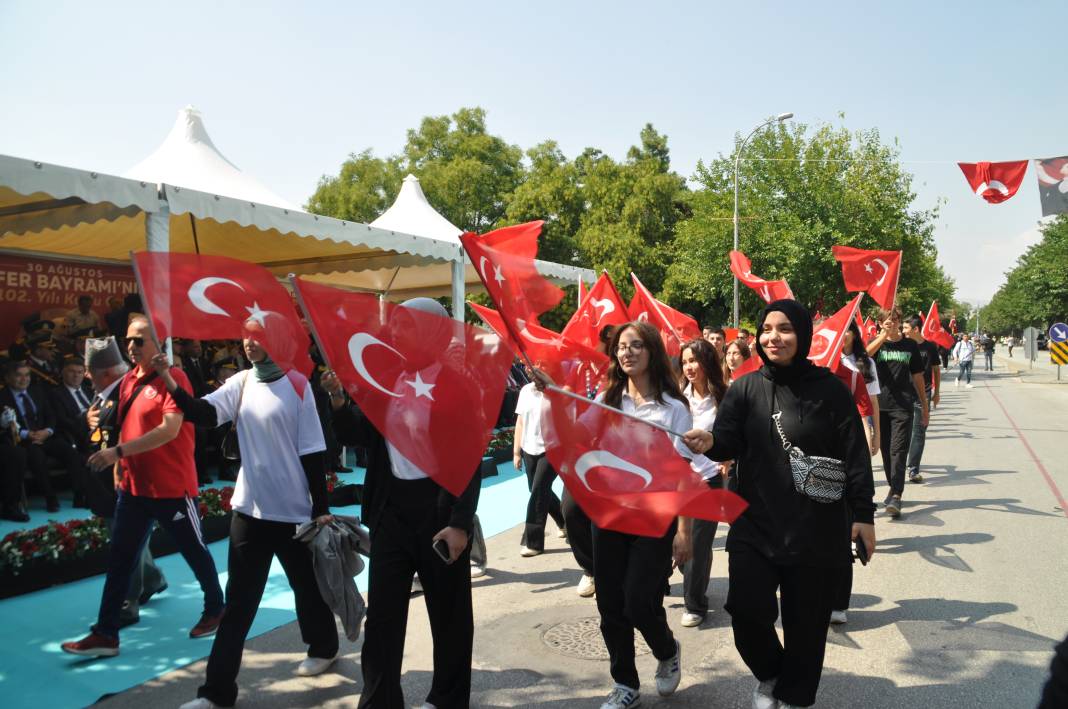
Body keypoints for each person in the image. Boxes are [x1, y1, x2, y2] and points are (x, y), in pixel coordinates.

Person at [682, 299, 876, 709]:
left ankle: (794, 696)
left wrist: (863, 515)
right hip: (755, 524)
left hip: (818, 528)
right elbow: (728, 440)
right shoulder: (744, 388)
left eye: (785, 328)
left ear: (802, 335)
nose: (774, 337)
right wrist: (711, 442)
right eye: (767, 328)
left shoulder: (830, 390)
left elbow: (854, 454)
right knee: (747, 611)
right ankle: (772, 674)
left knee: (807, 625)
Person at [160, 316, 339, 709]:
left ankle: (324, 645)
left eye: (256, 335)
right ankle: (216, 693)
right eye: (244, 336)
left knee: (306, 589)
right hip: (249, 511)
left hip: (294, 514)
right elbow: (200, 413)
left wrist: (320, 510)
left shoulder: (297, 386)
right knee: (238, 603)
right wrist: (168, 377)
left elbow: (313, 452)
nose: (247, 342)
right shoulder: (239, 383)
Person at [323, 297, 481, 709]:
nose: (396, 333)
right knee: (384, 619)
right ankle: (379, 700)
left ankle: (446, 699)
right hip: (392, 511)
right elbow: (361, 433)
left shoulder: (457, 384)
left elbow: (468, 457)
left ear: (432, 329)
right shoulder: (387, 376)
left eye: (406, 325)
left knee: (449, 617)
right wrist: (340, 401)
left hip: (439, 512)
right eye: (396, 325)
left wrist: (461, 523)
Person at [543, 321, 690, 709]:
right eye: (622, 347)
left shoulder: (674, 410)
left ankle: (666, 648)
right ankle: (625, 683)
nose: (627, 352)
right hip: (609, 516)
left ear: (652, 351)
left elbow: (683, 476)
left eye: (636, 345)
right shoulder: (606, 401)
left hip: (653, 517)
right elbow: (578, 437)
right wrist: (553, 393)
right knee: (610, 604)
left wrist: (682, 530)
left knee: (640, 602)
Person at [60, 317, 225, 658]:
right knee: (120, 560)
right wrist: (117, 459)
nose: (131, 347)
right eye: (129, 341)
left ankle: (215, 607)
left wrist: (117, 453)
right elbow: (120, 426)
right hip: (133, 490)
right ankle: (106, 632)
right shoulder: (126, 382)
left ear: (158, 343)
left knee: (195, 551)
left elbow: (169, 430)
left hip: (171, 487)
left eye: (139, 341)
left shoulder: (174, 378)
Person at [678, 338, 728, 629]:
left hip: (709, 478)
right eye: (685, 361)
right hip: (678, 479)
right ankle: (692, 574)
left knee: (698, 542)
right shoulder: (675, 398)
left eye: (694, 360)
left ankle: (695, 603)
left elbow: (733, 434)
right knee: (682, 546)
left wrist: (727, 459)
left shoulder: (724, 397)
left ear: (707, 362)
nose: (689, 367)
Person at [866, 308, 928, 519]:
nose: (892, 322)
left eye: (895, 319)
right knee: (885, 452)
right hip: (879, 406)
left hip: (903, 406)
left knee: (898, 450)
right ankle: (893, 488)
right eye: (887, 319)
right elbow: (864, 356)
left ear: (900, 321)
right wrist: (883, 336)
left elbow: (918, 377)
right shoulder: (877, 342)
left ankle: (896, 494)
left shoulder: (910, 345)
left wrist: (925, 406)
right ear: (880, 322)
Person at [0, 360, 67, 511]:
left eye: (27, 375)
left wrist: (47, 431)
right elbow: (4, 427)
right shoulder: (2, 397)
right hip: (22, 441)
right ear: (8, 378)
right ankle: (50, 498)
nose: (24, 379)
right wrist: (26, 434)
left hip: (46, 435)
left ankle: (81, 493)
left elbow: (51, 415)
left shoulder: (37, 391)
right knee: (36, 455)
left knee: (68, 450)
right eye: (18, 375)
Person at [513, 368, 565, 557]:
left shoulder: (558, 391)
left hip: (552, 448)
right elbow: (520, 421)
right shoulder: (525, 391)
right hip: (529, 448)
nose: (533, 373)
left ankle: (533, 541)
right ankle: (563, 521)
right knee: (537, 489)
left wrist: (553, 389)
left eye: (538, 369)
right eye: (530, 369)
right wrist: (516, 451)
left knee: (538, 491)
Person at [48, 355, 95, 507]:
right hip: (70, 435)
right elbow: (61, 420)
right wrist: (85, 425)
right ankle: (81, 494)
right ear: (63, 373)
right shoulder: (55, 393)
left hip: (94, 432)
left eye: (80, 372)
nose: (76, 375)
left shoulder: (90, 391)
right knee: (75, 454)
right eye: (71, 372)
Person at [903, 316, 940, 484]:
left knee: (919, 432)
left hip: (923, 394)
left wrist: (936, 392)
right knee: (903, 432)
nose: (903, 331)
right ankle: (898, 464)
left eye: (905, 328)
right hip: (903, 394)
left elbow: (936, 370)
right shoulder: (902, 346)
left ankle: (913, 468)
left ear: (916, 329)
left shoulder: (930, 347)